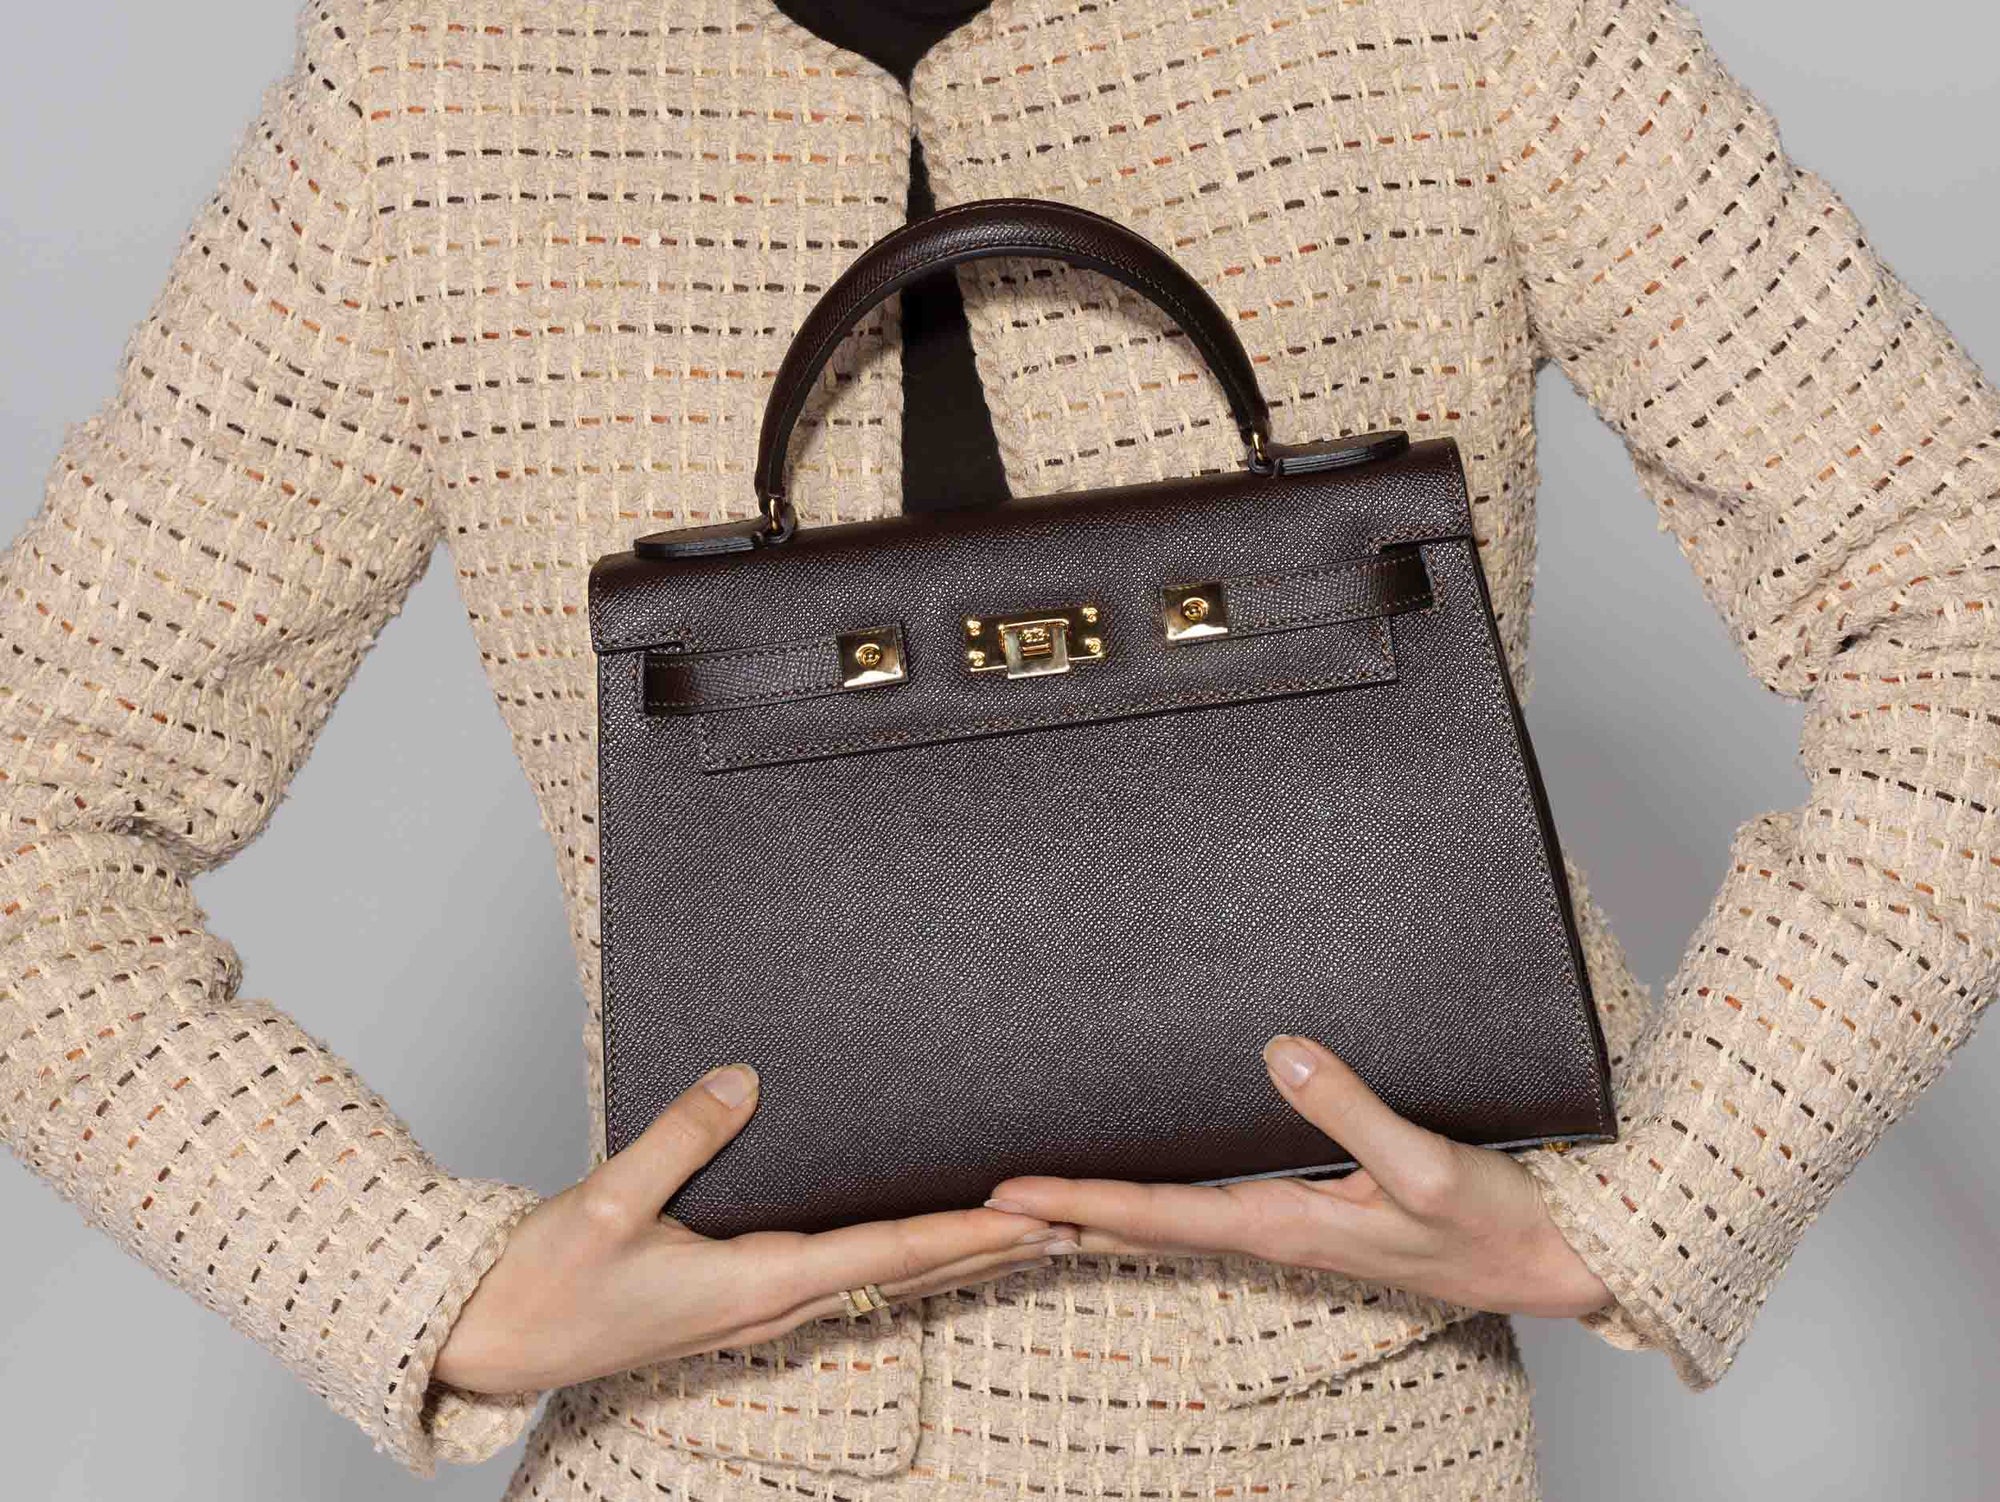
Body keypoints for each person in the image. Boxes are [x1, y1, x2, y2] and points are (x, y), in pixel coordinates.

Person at [1, 1, 1991, 1497]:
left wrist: (1663, 1198)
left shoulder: (1442, 16)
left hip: (1346, 1450)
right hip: (704, 1465)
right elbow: (34, 808)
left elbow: (1955, 591)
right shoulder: (440, 83)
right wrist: (427, 1285)